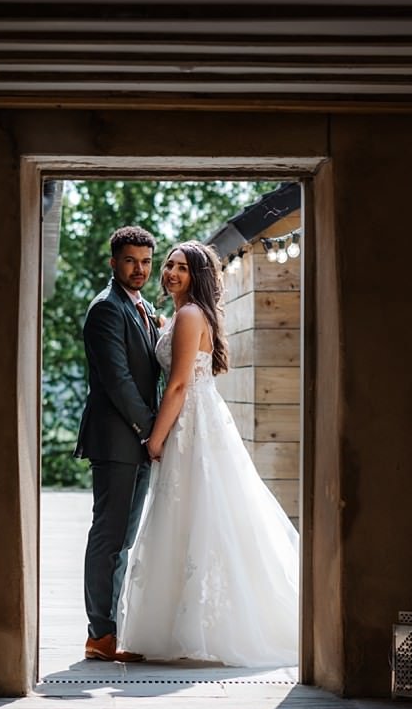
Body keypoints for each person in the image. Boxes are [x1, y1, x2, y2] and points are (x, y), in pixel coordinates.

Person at [116, 241, 299, 667]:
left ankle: (196, 627)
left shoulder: (189, 315)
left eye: (182, 268)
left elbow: (179, 384)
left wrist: (155, 439)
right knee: (197, 516)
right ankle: (187, 624)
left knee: (192, 516)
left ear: (198, 276)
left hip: (191, 425)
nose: (171, 273)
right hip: (201, 419)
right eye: (169, 265)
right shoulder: (187, 315)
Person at [73, 225, 162, 662]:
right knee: (108, 536)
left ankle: (111, 630)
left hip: (139, 442)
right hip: (117, 441)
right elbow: (119, 382)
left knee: (123, 539)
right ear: (113, 262)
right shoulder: (106, 310)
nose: (139, 269)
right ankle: (99, 635)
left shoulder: (141, 307)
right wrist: (152, 431)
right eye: (130, 260)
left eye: (146, 262)